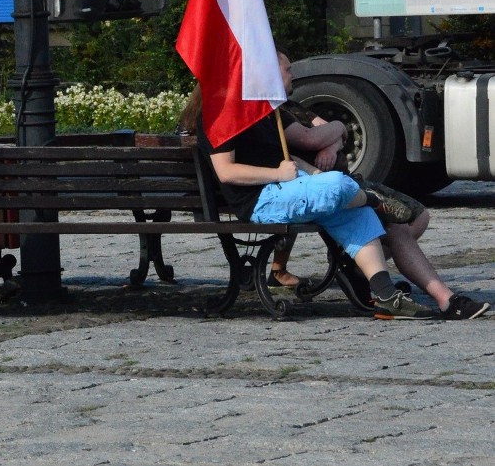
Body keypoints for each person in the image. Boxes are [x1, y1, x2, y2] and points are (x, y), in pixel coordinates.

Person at [183, 60, 433, 318]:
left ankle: (385, 295)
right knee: (337, 187)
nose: (288, 74)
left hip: (287, 188)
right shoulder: (220, 112)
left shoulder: (261, 110)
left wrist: (314, 174)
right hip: (260, 200)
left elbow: (286, 156)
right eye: (284, 69)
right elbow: (226, 171)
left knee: (354, 211)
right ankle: (370, 198)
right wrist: (278, 174)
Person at [275, 51, 489, 321]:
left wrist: (334, 136)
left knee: (418, 216)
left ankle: (359, 268)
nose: (292, 74)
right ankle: (444, 299)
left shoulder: (293, 106)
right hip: (327, 189)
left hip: (343, 183)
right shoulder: (275, 114)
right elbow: (308, 139)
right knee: (397, 224)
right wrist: (330, 136)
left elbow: (334, 132)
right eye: (286, 70)